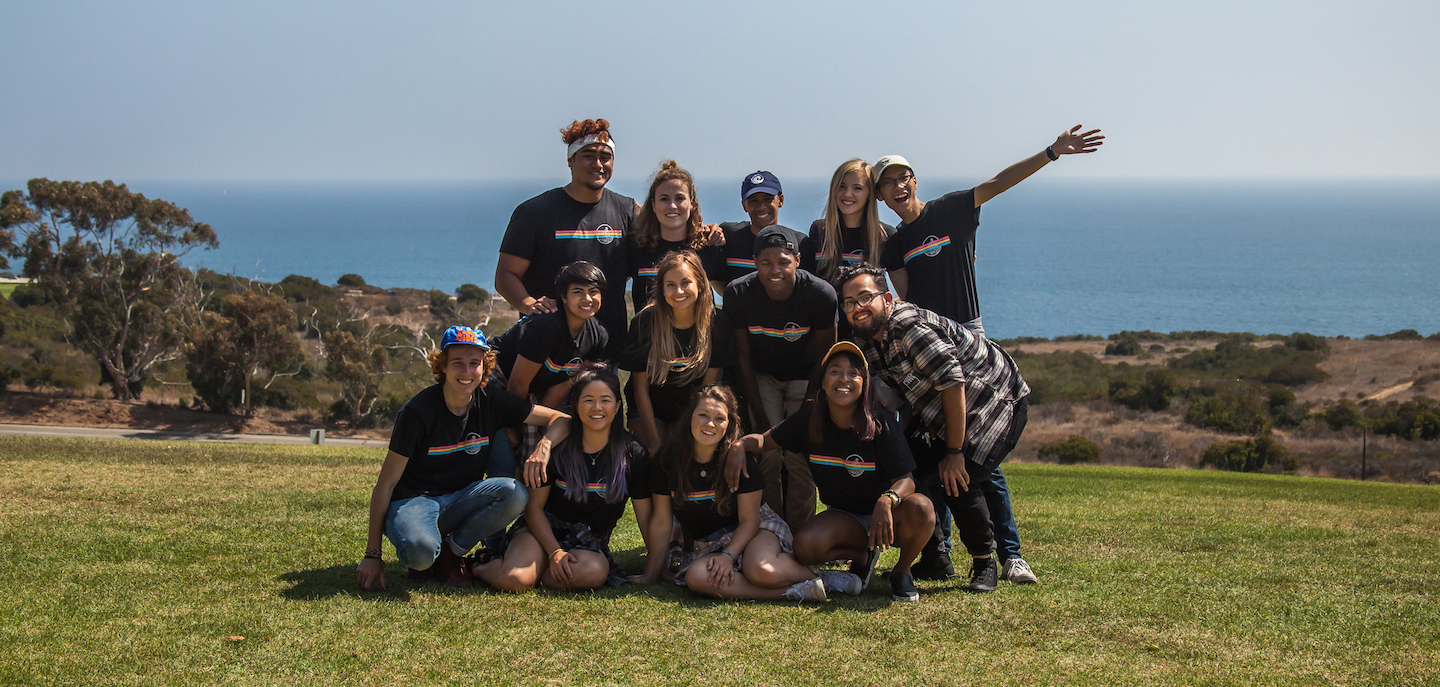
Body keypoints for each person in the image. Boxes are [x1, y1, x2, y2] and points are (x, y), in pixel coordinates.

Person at [873, 125, 1103, 583]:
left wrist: (1052, 152)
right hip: (928, 344)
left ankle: (1009, 555)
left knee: (978, 452)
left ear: (914, 180)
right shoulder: (894, 244)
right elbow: (906, 297)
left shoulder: (952, 208)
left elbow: (1000, 182)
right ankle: (937, 553)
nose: (897, 187)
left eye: (903, 178)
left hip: (970, 339)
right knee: (934, 445)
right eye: (887, 184)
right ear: (880, 196)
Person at [837, 265, 1031, 593]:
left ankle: (984, 563)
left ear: (887, 299)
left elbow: (953, 383)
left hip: (995, 402)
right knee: (903, 470)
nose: (858, 308)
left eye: (866, 298)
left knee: (958, 480)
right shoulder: (867, 337)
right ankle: (935, 558)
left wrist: (954, 452)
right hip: (941, 410)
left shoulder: (910, 329)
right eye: (849, 302)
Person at [356, 326, 568, 591]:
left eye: (474, 363)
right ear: (443, 366)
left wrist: (545, 445)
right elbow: (385, 485)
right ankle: (426, 552)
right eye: (457, 363)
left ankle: (451, 553)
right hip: (413, 502)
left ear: (484, 367)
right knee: (420, 555)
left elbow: (561, 419)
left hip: (460, 500)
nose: (467, 372)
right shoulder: (417, 412)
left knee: (514, 493)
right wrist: (372, 554)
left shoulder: (490, 399)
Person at [731, 341, 935, 602]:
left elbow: (906, 480)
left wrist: (887, 500)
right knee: (804, 547)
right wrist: (739, 445)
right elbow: (765, 441)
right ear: (823, 381)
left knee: (922, 508)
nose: (844, 379)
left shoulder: (879, 420)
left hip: (889, 514)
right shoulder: (810, 417)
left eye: (853, 373)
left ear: (864, 383)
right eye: (835, 371)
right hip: (845, 516)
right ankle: (863, 556)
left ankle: (902, 571)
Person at [470, 366, 661, 592]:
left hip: (589, 542)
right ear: (576, 405)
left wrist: (653, 570)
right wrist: (555, 552)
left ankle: (534, 572)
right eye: (588, 400)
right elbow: (534, 508)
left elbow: (645, 517)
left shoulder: (632, 454)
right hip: (541, 532)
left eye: (605, 400)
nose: (597, 408)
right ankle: (480, 565)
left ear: (618, 406)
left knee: (594, 573)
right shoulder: (557, 448)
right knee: (515, 580)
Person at [636, 385, 831, 603]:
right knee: (697, 577)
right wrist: (650, 574)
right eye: (703, 415)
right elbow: (662, 521)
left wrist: (728, 556)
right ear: (690, 417)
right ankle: (796, 591)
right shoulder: (667, 461)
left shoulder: (739, 460)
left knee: (760, 570)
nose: (710, 424)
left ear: (729, 424)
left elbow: (749, 522)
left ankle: (825, 579)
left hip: (756, 531)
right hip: (710, 545)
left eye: (719, 418)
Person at [724, 226, 837, 532]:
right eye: (766, 262)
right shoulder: (738, 293)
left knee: (800, 455)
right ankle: (771, 530)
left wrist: (811, 407)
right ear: (754, 262)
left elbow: (825, 356)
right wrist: (760, 417)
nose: (775, 270)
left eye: (783, 262)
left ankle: (801, 534)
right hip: (763, 376)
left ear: (797, 260)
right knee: (768, 454)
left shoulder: (820, 294)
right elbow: (743, 358)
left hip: (806, 377)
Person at [495, 118, 633, 355]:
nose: (598, 164)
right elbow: (505, 276)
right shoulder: (534, 212)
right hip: (545, 351)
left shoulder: (628, 211)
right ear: (571, 160)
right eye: (588, 155)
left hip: (605, 351)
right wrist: (529, 304)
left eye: (605, 157)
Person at [489, 261, 610, 457]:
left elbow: (564, 383)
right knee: (510, 448)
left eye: (593, 292)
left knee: (533, 446)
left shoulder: (598, 336)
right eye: (578, 292)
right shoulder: (546, 328)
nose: (587, 299)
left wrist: (539, 427)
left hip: (529, 391)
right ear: (563, 297)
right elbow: (517, 383)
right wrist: (512, 428)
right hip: (497, 378)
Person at [623, 250, 736, 453]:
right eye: (670, 285)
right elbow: (640, 390)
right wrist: (655, 443)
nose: (679, 291)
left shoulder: (717, 323)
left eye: (686, 282)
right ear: (661, 289)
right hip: (649, 411)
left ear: (700, 284)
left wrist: (684, 432)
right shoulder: (644, 322)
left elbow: (707, 389)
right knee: (648, 455)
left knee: (682, 455)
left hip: (693, 411)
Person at [626, 160, 724, 309]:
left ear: (692, 203)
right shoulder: (636, 247)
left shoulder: (708, 245)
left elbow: (728, 292)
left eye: (679, 198)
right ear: (653, 205)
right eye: (664, 199)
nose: (672, 205)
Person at [713, 171, 815, 292]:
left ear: (781, 200)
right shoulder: (730, 237)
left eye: (767, 199)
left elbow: (808, 287)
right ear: (744, 205)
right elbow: (717, 279)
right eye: (753, 201)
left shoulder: (800, 243)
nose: (761, 206)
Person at [809, 158, 895, 284]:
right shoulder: (820, 230)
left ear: (870, 193)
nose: (848, 194)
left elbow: (902, 290)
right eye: (842, 186)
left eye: (857, 188)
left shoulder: (885, 236)